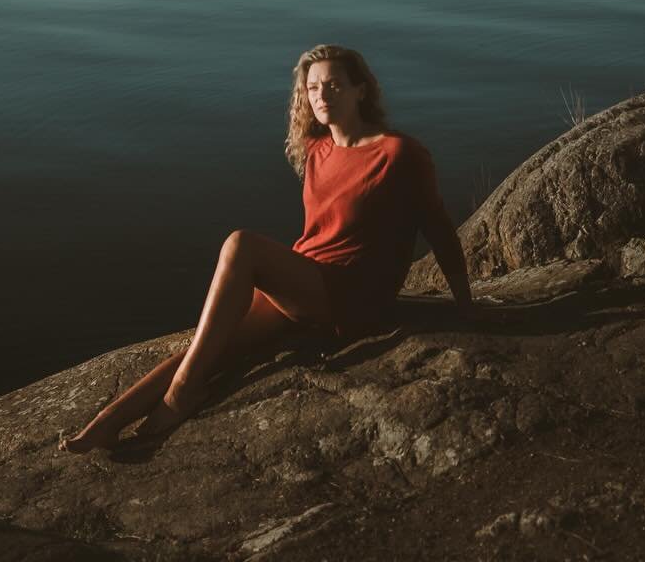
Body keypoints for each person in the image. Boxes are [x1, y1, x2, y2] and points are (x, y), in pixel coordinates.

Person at [60, 44, 474, 452]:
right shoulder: (318, 150)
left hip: (352, 295)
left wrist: (464, 304)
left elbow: (437, 227)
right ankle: (107, 423)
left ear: (361, 90)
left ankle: (184, 392)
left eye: (333, 85)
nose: (321, 96)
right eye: (312, 88)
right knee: (206, 348)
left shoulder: (398, 153)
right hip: (306, 282)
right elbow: (320, 233)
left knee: (241, 245)